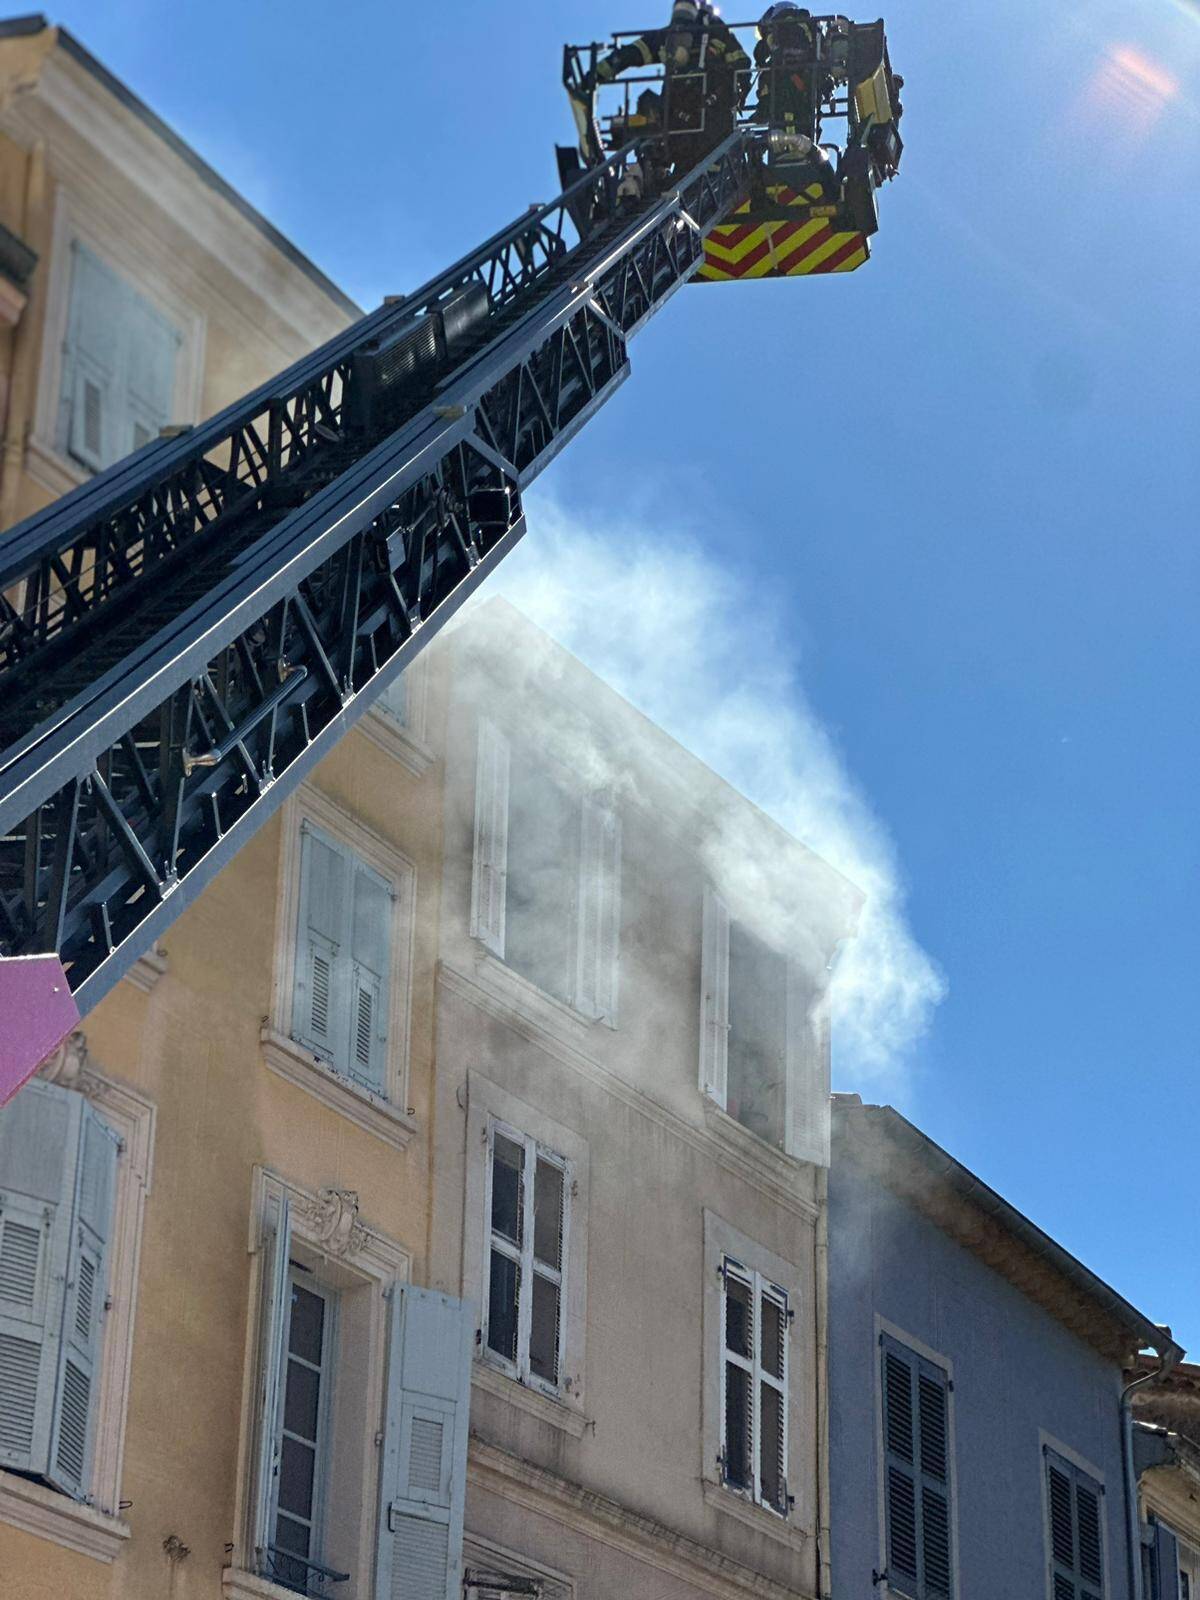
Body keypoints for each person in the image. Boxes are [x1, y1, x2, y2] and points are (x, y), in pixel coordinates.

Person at [592, 0, 751, 173]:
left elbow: (632, 53)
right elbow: (741, 63)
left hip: (675, 114)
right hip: (708, 113)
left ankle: (652, 172)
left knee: (680, 160)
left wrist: (597, 73)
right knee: (706, 157)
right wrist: (739, 92)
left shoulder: (669, 35)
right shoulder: (717, 32)